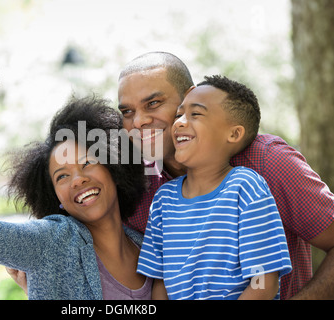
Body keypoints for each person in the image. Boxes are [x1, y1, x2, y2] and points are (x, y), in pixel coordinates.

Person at [117, 51, 334, 300]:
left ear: (189, 98)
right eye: (127, 112)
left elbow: (264, 281)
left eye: (153, 103)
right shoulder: (145, 189)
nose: (139, 122)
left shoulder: (266, 165)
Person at [0, 83, 151, 299]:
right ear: (55, 196)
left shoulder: (146, 246)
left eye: (87, 163)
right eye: (62, 176)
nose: (77, 180)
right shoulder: (51, 242)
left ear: (113, 168)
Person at [137, 75, 292, 300]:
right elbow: (160, 284)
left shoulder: (245, 188)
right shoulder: (163, 200)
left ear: (234, 134)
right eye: (179, 114)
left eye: (196, 114)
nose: (179, 122)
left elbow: (263, 282)